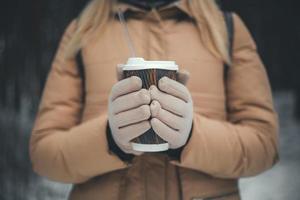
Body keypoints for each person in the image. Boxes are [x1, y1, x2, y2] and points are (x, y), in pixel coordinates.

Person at [29, 0, 279, 199]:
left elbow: (265, 146)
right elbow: (44, 155)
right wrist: (109, 138)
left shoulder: (228, 28)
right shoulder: (81, 31)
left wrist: (192, 135)